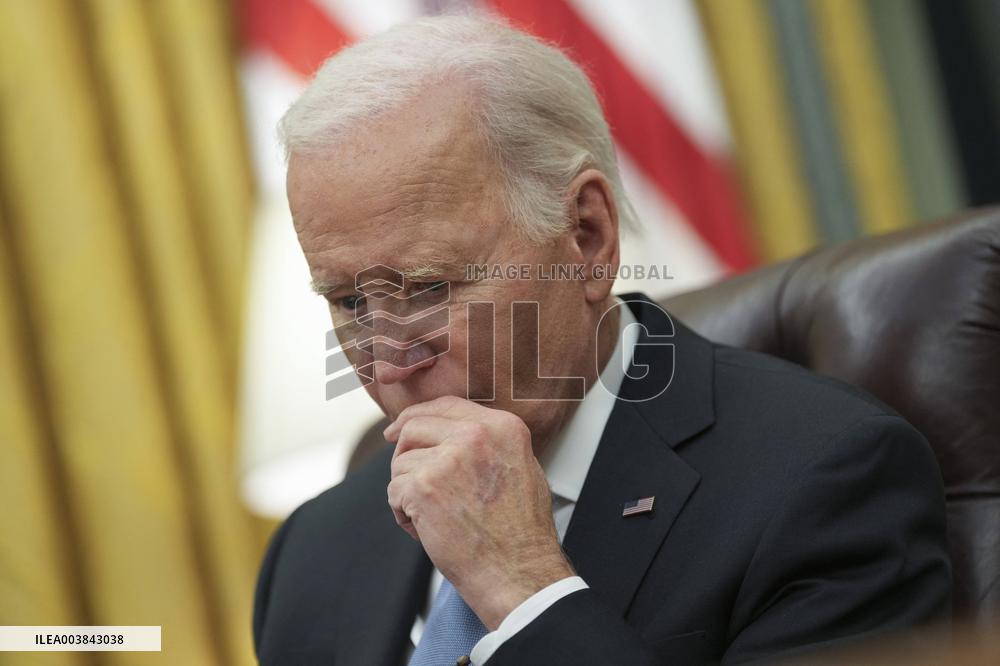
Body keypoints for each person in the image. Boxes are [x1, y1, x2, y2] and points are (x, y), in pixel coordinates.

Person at [252, 15, 950, 666]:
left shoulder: (825, 479)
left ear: (587, 236)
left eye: (431, 288)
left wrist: (525, 591)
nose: (389, 359)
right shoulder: (314, 552)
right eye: (349, 301)